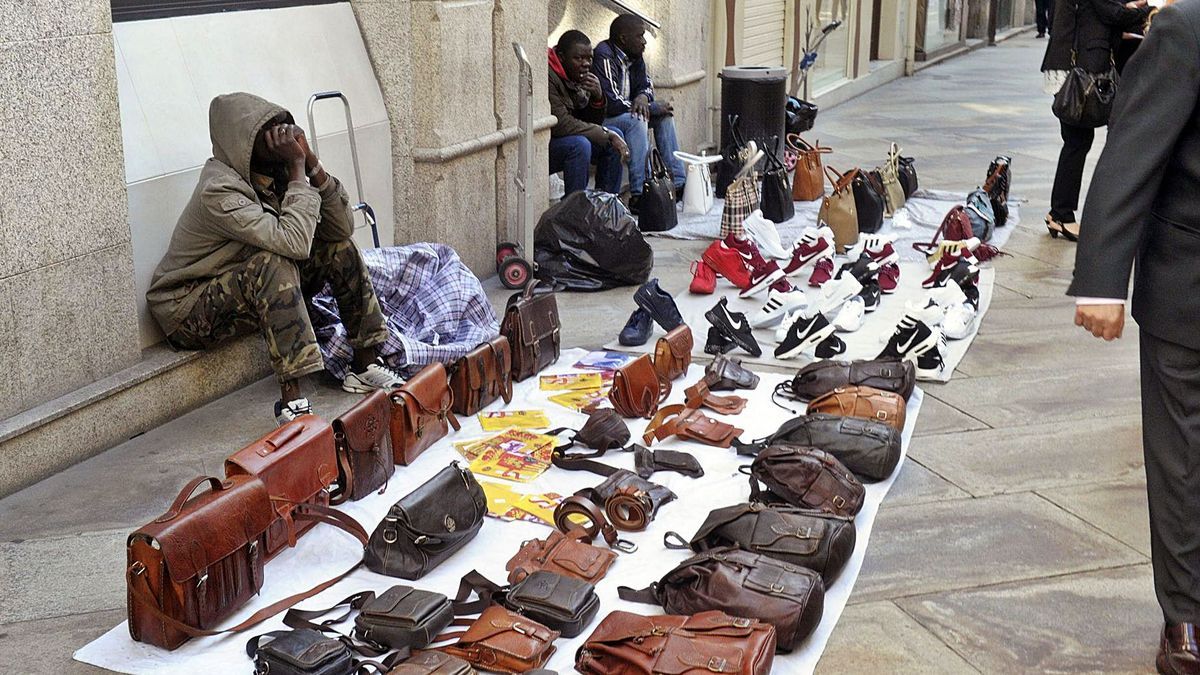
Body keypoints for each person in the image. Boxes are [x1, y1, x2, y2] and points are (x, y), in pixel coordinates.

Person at [1070, 3, 1200, 672]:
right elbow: (1130, 152)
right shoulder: (1189, 28)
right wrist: (1100, 278)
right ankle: (1187, 616)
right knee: (1183, 457)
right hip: (1191, 288)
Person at [146, 92, 404, 423]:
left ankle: (364, 364)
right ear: (242, 145)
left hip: (240, 290)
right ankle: (293, 404)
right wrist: (297, 168)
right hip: (188, 309)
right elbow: (293, 243)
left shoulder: (278, 174)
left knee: (339, 249)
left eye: (284, 129)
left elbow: (340, 229)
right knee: (273, 263)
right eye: (270, 134)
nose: (283, 139)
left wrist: (312, 164)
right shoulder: (219, 190)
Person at [1041, 0, 1150, 241]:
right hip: (1078, 72)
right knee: (1077, 142)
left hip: (1073, 67)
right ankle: (1061, 215)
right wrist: (1150, 12)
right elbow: (1112, 12)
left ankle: (1058, 213)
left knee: (1076, 142)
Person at [592, 14, 687, 213]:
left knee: (664, 117)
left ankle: (678, 183)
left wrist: (644, 97)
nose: (644, 42)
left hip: (627, 112)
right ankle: (640, 192)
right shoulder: (604, 54)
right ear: (623, 38)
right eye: (640, 36)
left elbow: (647, 85)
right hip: (605, 119)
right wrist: (649, 108)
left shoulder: (635, 55)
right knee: (638, 119)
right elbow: (611, 102)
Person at [548, 30, 629, 195]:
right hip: (545, 147)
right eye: (578, 58)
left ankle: (606, 206)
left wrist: (597, 98)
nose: (586, 64)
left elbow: (588, 120)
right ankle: (575, 209)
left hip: (567, 137)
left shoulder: (576, 75)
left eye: (589, 58)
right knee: (580, 145)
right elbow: (561, 124)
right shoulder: (549, 76)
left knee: (613, 138)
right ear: (561, 57)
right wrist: (606, 133)